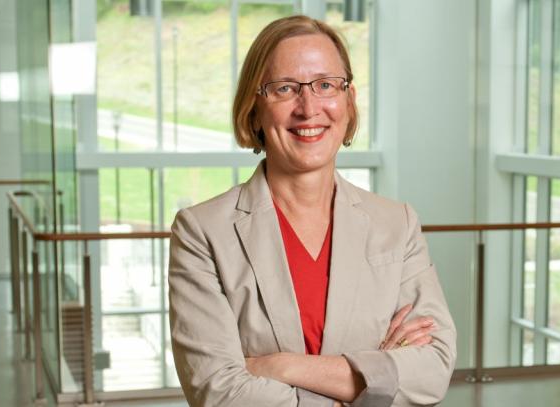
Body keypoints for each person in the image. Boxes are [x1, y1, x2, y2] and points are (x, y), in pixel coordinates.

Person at [168, 15, 456, 407]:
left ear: (349, 101)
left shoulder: (397, 225)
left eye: (325, 85)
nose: (308, 108)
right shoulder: (202, 232)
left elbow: (433, 368)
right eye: (285, 88)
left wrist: (279, 366)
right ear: (254, 109)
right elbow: (219, 392)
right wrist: (373, 379)